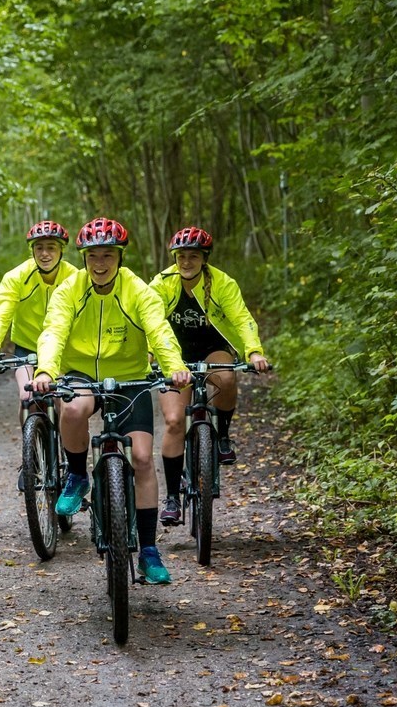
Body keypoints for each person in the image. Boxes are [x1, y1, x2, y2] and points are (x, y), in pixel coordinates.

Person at [31, 217, 191, 584]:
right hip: (81, 373)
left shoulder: (137, 290)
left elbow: (159, 331)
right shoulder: (70, 289)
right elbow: (54, 330)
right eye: (92, 256)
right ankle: (76, 475)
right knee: (72, 408)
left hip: (130, 376)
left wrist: (175, 367)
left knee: (140, 458)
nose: (99, 263)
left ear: (119, 257)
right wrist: (45, 371)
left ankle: (149, 550)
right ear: (84, 259)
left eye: (107, 255)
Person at [148, 226, 270, 527]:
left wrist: (254, 352)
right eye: (181, 256)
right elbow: (150, 320)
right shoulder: (162, 283)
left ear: (204, 259)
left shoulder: (222, 283)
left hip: (212, 348)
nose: (186, 262)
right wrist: (150, 354)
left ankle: (223, 436)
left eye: (193, 256)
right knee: (175, 421)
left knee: (226, 379)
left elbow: (241, 318)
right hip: (173, 353)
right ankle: (173, 498)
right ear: (173, 257)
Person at [0, 219, 79, 412]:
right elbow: (1, 312)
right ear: (32, 250)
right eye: (39, 248)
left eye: (51, 248)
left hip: (63, 349)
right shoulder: (17, 277)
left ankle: (66, 442)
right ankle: (30, 439)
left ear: (61, 250)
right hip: (27, 346)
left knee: (63, 400)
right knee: (27, 397)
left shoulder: (75, 277)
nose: (45, 253)